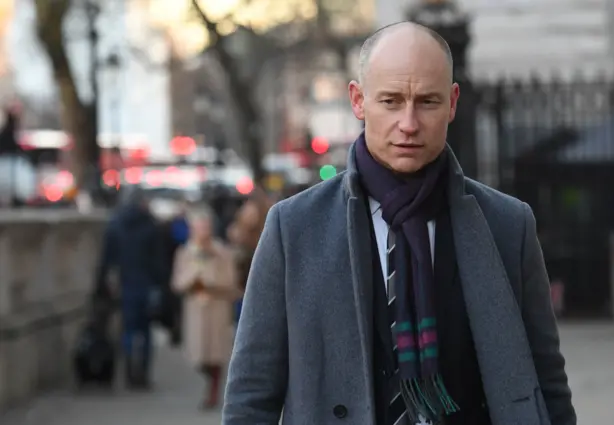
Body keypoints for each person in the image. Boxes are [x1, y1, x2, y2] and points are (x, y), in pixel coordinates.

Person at [223, 21, 576, 425]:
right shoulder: (294, 228)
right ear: (358, 100)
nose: (408, 123)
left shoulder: (509, 225)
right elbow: (251, 397)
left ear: (453, 102)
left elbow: (547, 384)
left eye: (427, 101)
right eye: (391, 101)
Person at [171, 206, 241, 409]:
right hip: (195, 308)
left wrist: (211, 278)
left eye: (205, 227)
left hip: (217, 307)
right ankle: (209, 381)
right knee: (198, 355)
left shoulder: (222, 252)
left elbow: (231, 282)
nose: (202, 231)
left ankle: (213, 392)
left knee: (216, 354)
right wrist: (193, 276)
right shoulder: (185, 252)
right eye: (198, 227)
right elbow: (177, 282)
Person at [96, 187, 163, 390]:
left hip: (125, 284)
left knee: (128, 330)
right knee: (146, 331)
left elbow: (107, 260)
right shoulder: (150, 224)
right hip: (147, 284)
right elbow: (159, 261)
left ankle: (128, 370)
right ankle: (142, 372)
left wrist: (101, 286)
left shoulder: (116, 225)